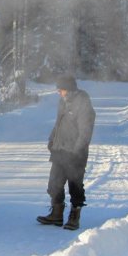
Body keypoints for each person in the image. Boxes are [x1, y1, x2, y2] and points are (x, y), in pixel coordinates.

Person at [37, 74, 95, 230]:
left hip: (76, 153)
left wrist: (77, 150)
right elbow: (59, 124)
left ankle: (74, 217)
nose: (58, 93)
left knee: (75, 185)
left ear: (69, 90)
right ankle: (56, 214)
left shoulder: (83, 104)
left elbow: (85, 131)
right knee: (54, 184)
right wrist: (51, 140)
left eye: (60, 90)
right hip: (60, 149)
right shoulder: (62, 102)